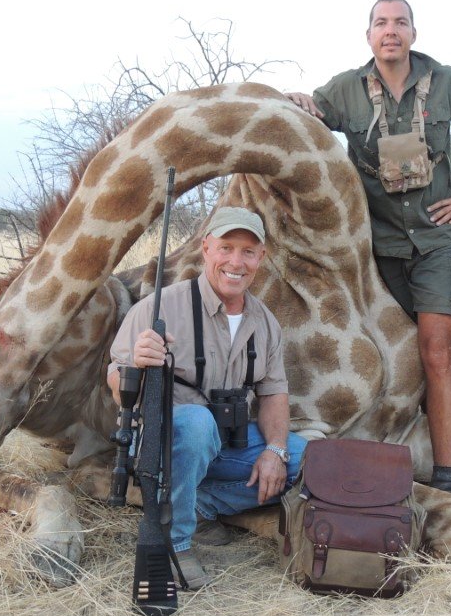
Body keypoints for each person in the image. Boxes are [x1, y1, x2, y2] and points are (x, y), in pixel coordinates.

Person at [286, 0, 451, 496]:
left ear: (414, 32)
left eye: (400, 22)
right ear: (368, 35)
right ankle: (403, 446)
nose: (391, 31)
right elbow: (309, 115)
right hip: (378, 245)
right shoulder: (345, 89)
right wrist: (301, 102)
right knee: (396, 351)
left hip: (436, 240)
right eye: (381, 23)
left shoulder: (447, 82)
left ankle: (450, 478)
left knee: (438, 349)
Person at [107, 207, 307, 588]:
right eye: (226, 247)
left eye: (248, 252)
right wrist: (136, 363)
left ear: (261, 258)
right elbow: (116, 381)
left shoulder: (265, 322)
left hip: (225, 443)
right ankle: (176, 541)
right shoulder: (158, 308)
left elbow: (274, 392)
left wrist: (275, 451)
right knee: (196, 424)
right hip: (165, 442)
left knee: (308, 459)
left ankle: (201, 504)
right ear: (206, 249)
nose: (236, 261)